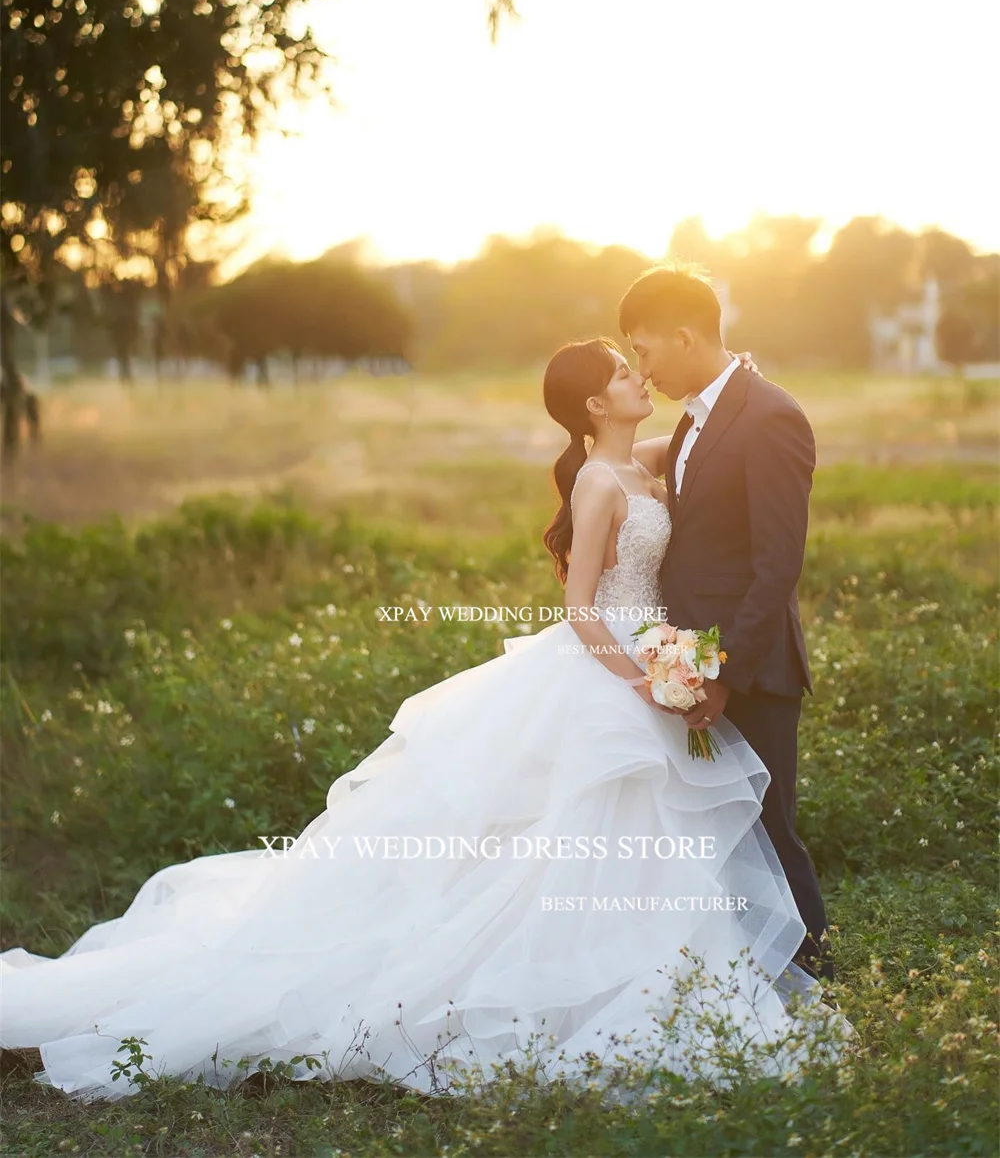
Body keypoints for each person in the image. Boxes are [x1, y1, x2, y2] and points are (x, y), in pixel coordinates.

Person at [0, 335, 851, 1105]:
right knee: (575, 829)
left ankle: (647, 971)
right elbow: (581, 607)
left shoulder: (644, 466)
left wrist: (742, 379)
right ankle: (545, 980)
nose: (641, 376)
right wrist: (642, 683)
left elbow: (708, 440)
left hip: (655, 659)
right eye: (625, 373)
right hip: (613, 674)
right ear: (596, 404)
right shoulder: (598, 482)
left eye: (639, 364)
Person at [618, 261, 832, 983]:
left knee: (769, 831)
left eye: (644, 351)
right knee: (715, 834)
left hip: (752, 669)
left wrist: (721, 672)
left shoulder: (770, 416)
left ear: (683, 337)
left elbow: (776, 566)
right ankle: (738, 984)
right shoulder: (695, 418)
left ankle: (817, 980)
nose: (640, 371)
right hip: (694, 667)